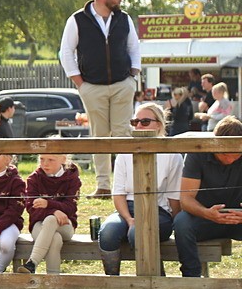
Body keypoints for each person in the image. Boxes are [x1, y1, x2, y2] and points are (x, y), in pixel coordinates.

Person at [58, 0, 141, 198]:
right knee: (99, 135)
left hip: (123, 84)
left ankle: (128, 185)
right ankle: (103, 186)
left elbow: (134, 47)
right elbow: (66, 52)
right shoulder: (77, 19)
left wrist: (133, 76)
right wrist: (80, 83)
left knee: (123, 133)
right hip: (91, 86)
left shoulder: (124, 19)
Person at [97, 102, 183, 276]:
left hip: (159, 211)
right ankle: (113, 282)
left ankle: (155, 279)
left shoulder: (172, 154)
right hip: (127, 209)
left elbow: (175, 196)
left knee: (140, 233)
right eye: (135, 121)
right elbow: (118, 193)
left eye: (144, 122)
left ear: (159, 124)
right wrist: (129, 219)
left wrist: (176, 223)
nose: (138, 126)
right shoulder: (125, 152)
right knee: (108, 233)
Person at [172, 115, 242, 278]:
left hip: (238, 218)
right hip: (205, 218)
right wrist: (207, 213)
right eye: (225, 154)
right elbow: (186, 200)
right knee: (182, 222)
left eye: (236, 154)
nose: (230, 159)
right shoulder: (197, 153)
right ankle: (192, 278)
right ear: (214, 144)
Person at [19, 153, 82, 274]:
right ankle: (53, 282)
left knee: (51, 220)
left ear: (63, 159)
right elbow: (32, 208)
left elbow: (70, 208)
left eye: (51, 160)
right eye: (42, 159)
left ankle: (32, 262)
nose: (45, 163)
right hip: (39, 225)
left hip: (65, 225)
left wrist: (48, 204)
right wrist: (54, 211)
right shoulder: (34, 178)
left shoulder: (72, 179)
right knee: (55, 238)